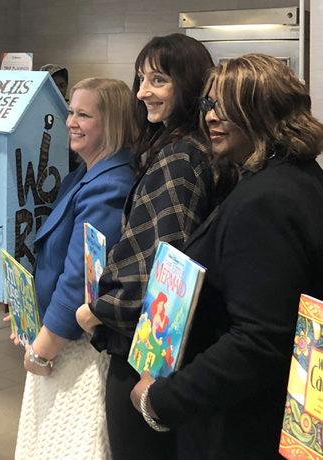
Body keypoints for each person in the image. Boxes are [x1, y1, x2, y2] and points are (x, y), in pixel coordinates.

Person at [130, 53, 323, 459]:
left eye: (225, 106)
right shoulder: (290, 177)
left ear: (263, 111)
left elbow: (258, 341)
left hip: (240, 426)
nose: (211, 118)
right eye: (208, 105)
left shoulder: (268, 199)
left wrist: (161, 400)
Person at [75, 33, 216, 460]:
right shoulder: (185, 147)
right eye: (140, 79)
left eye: (157, 80)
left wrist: (98, 310)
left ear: (188, 84)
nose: (142, 92)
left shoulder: (179, 158)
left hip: (147, 355)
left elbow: (160, 263)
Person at [13, 78, 135, 459]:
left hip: (77, 347)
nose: (70, 122)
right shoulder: (83, 174)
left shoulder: (110, 184)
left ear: (112, 123)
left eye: (83, 114)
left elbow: (83, 277)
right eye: (70, 111)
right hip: (59, 334)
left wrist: (44, 347)